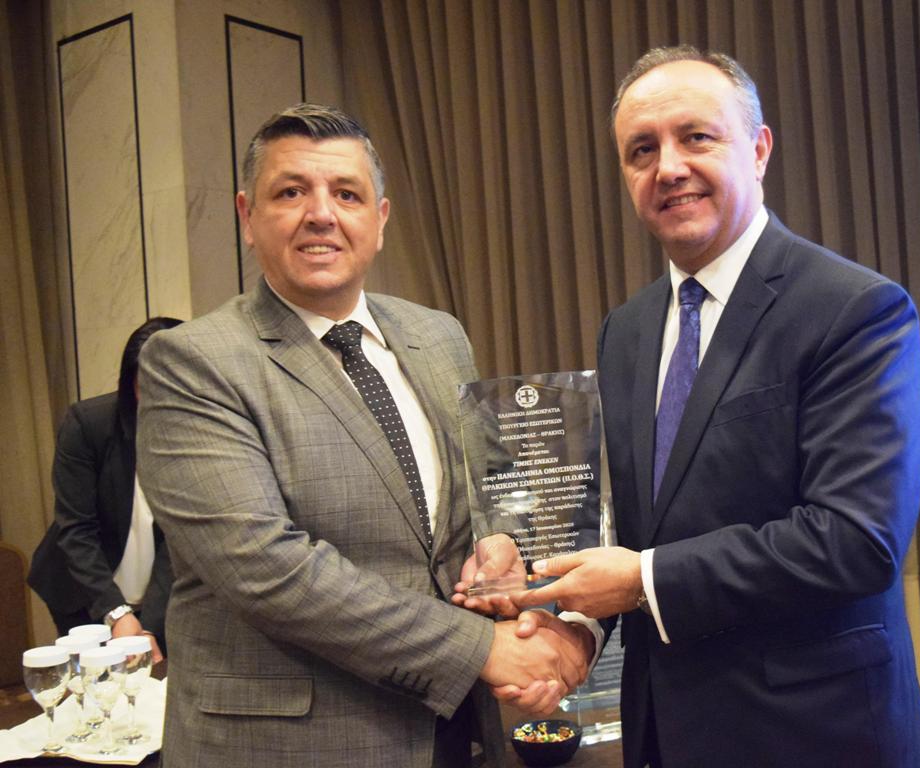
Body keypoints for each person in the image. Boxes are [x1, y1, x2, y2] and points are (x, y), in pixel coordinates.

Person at [513, 46, 920, 767]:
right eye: (641, 150)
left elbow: (855, 540)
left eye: (696, 137)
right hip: (664, 730)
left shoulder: (854, 309)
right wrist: (576, 620)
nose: (668, 167)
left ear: (759, 149)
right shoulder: (626, 330)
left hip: (813, 735)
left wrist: (641, 582)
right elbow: (632, 523)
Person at [135, 104, 588, 768]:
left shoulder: (438, 336)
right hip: (290, 747)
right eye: (291, 192)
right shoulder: (192, 362)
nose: (321, 213)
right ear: (247, 217)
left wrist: (499, 542)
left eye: (346, 194)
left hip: (452, 732)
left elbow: (488, 489)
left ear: (379, 219)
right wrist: (483, 650)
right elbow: (268, 570)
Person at [28, 316, 183, 662]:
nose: (162, 400)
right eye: (148, 387)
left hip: (161, 593)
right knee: (97, 683)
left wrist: (150, 625)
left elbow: (180, 537)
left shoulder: (203, 433)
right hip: (84, 589)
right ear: (130, 384)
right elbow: (76, 528)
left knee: (152, 681)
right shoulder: (89, 424)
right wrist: (115, 611)